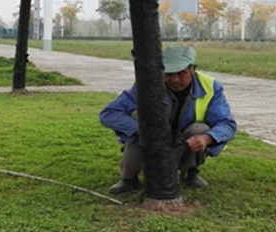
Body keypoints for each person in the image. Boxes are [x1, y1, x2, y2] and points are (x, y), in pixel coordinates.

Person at [99, 46, 237, 195]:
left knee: (201, 129)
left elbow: (227, 124)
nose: (175, 79)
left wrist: (207, 138)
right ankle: (129, 178)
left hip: (184, 142)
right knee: (138, 117)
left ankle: (190, 173)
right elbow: (109, 113)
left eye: (181, 73)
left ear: (193, 69)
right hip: (152, 141)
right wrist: (140, 130)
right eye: (169, 74)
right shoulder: (147, 85)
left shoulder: (211, 87)